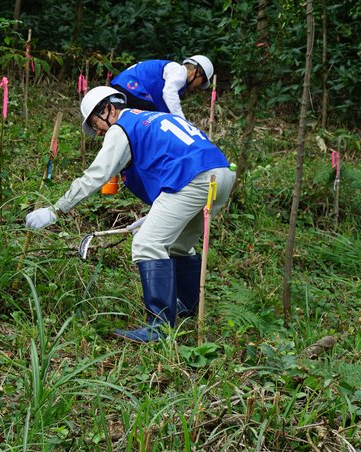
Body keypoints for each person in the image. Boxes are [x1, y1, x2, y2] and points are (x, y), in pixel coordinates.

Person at [25, 86, 235, 343]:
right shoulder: (151, 118)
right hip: (221, 175)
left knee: (147, 244)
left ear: (109, 109)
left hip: (192, 178)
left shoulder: (122, 127)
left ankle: (159, 328)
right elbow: (172, 160)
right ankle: (187, 308)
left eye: (96, 124)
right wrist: (155, 215)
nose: (100, 132)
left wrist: (57, 209)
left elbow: (96, 175)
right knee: (179, 245)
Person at [109, 55, 213, 120]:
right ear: (197, 72)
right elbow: (169, 93)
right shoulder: (179, 72)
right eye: (202, 81)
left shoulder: (171, 71)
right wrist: (182, 121)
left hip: (123, 85)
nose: (199, 86)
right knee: (153, 120)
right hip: (132, 89)